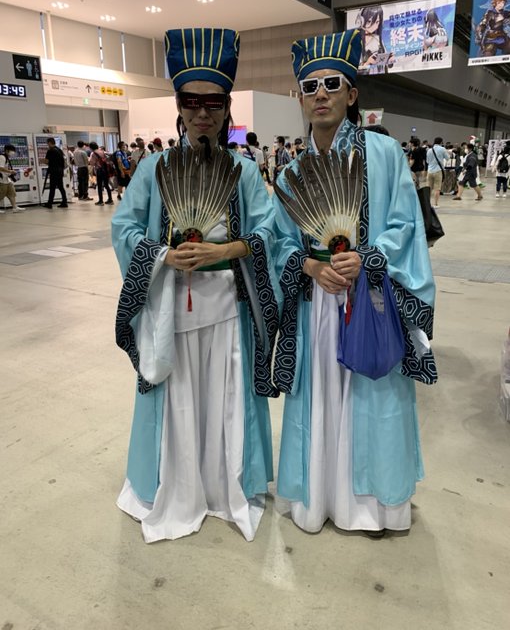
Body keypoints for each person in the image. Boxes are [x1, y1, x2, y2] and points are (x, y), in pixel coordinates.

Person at [111, 27, 282, 543]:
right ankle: (178, 487)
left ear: (226, 109)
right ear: (179, 107)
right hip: (170, 306)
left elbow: (269, 231)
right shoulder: (154, 168)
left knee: (225, 396)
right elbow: (124, 227)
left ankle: (224, 485)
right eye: (192, 102)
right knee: (178, 396)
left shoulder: (243, 172)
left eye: (213, 103)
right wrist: (162, 254)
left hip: (228, 308)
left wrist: (226, 251)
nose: (202, 113)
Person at [272, 29, 436, 537]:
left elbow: (406, 223)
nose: (320, 94)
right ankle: (319, 498)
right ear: (300, 97)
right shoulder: (292, 172)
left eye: (332, 84)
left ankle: (372, 504)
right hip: (317, 303)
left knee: (372, 394)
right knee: (321, 396)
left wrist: (367, 259)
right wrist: (309, 266)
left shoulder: (383, 154)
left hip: (370, 297)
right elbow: (278, 242)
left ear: (352, 93)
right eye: (310, 86)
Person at [43, 138, 68, 209]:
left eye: (47, 143)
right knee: (61, 187)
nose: (47, 145)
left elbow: (46, 161)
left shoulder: (50, 151)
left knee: (52, 187)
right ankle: (64, 202)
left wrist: (42, 161)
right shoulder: (59, 150)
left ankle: (49, 203)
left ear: (49, 143)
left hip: (54, 171)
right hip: (60, 171)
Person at [0, 144, 25, 212]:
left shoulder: (6, 157)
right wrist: (10, 171)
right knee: (1, 194)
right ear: (6, 150)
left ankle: (14, 207)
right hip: (1, 180)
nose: (13, 152)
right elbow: (0, 168)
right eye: (11, 150)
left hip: (7, 179)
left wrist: (11, 172)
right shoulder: (2, 157)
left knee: (12, 193)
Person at [426, 138, 449, 207]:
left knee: (429, 188)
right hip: (438, 170)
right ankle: (435, 204)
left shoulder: (429, 150)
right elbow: (447, 158)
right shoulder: (442, 149)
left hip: (430, 171)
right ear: (441, 142)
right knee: (437, 188)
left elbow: (427, 161)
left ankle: (427, 203)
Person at [89, 141, 113, 206]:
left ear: (91, 147)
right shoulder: (102, 151)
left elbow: (92, 163)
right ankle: (110, 200)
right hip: (105, 169)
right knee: (106, 185)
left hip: (99, 170)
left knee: (99, 186)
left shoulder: (93, 153)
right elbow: (108, 157)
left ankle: (101, 201)